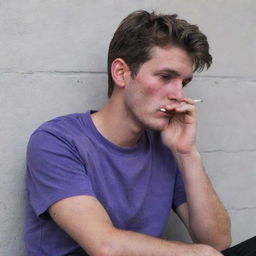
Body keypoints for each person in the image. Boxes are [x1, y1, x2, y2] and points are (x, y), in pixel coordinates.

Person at [24, 10, 254, 256]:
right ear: (121, 73)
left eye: (184, 83)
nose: (179, 94)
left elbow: (218, 242)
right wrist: (198, 254)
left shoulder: (165, 146)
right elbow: (105, 246)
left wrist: (187, 154)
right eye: (166, 77)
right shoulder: (56, 140)